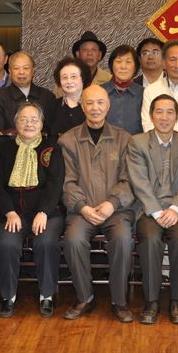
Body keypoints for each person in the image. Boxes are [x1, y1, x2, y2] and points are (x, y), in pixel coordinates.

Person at [59, 85, 136, 322]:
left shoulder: (124, 139)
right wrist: (82, 207)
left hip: (117, 210)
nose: (95, 108)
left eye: (100, 102)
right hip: (81, 210)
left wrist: (112, 203)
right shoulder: (68, 140)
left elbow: (130, 179)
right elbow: (67, 181)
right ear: (82, 106)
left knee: (123, 239)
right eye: (89, 103)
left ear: (108, 105)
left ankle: (119, 301)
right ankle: (85, 297)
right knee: (73, 240)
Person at [0, 102, 64, 318]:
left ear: (41, 124)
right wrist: (9, 212)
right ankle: (8, 296)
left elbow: (55, 184)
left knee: (46, 242)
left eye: (34, 119)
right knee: (6, 244)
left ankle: (46, 295)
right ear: (16, 123)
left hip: (46, 211)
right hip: (12, 212)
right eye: (23, 119)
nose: (29, 124)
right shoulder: (3, 150)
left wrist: (44, 211)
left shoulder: (52, 148)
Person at [126, 94, 178, 324]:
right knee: (150, 239)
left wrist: (175, 208)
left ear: (177, 116)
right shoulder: (137, 142)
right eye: (159, 111)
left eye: (170, 112)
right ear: (151, 115)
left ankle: (177, 301)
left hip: (177, 209)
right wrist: (156, 211)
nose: (164, 117)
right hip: (149, 208)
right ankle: (151, 301)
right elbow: (139, 182)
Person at [0, 51, 57, 131]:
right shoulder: (0, 97)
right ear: (10, 72)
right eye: (16, 68)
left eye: (26, 68)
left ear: (33, 71)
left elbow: (52, 131)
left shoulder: (48, 97)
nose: (21, 72)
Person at [102, 45, 143, 135]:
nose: (123, 66)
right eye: (119, 61)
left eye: (128, 62)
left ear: (135, 67)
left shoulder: (144, 94)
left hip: (136, 143)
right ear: (111, 65)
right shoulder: (100, 91)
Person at [49, 56, 90, 138]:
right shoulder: (52, 105)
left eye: (73, 76)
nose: (69, 81)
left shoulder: (92, 104)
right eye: (64, 77)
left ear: (83, 78)